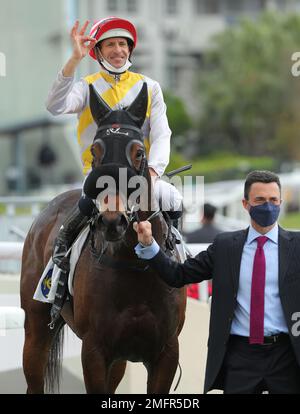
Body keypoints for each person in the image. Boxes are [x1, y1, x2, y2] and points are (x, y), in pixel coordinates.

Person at [133, 170, 300, 394]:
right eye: (260, 200)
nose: (267, 206)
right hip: (241, 355)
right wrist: (149, 245)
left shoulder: (297, 247)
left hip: (287, 355)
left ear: (281, 202)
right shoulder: (225, 246)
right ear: (245, 203)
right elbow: (178, 275)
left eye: (273, 200)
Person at [46, 18, 182, 271]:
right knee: (88, 202)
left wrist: (153, 172)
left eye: (122, 44)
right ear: (97, 51)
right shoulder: (86, 86)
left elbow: (162, 134)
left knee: (172, 196)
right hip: (98, 175)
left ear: (130, 49)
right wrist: (74, 59)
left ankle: (176, 249)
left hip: (138, 174)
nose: (118, 50)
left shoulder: (150, 87)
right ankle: (59, 267)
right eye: (110, 44)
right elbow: (54, 106)